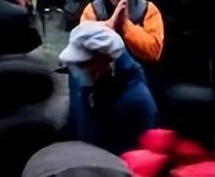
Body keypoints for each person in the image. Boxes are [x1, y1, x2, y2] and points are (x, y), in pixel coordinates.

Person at [60, 21, 158, 155]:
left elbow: (132, 158)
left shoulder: (137, 102)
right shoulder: (86, 79)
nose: (75, 70)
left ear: (105, 60)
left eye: (82, 64)